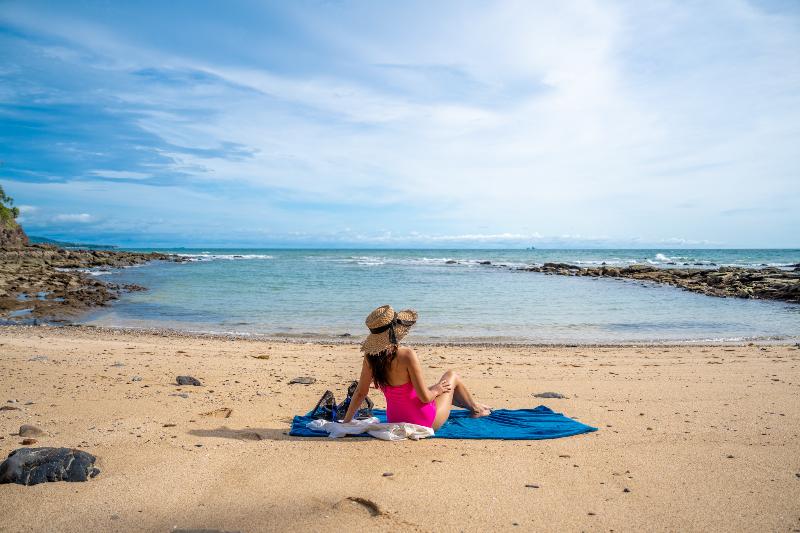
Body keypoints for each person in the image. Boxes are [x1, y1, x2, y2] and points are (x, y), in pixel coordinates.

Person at [341, 305, 491, 430]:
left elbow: (361, 393)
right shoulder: (406, 355)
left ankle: (473, 405)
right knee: (451, 376)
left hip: (395, 419)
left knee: (435, 389)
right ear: (397, 330)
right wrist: (437, 390)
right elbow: (425, 397)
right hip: (422, 421)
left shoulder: (370, 357)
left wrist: (346, 422)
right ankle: (476, 409)